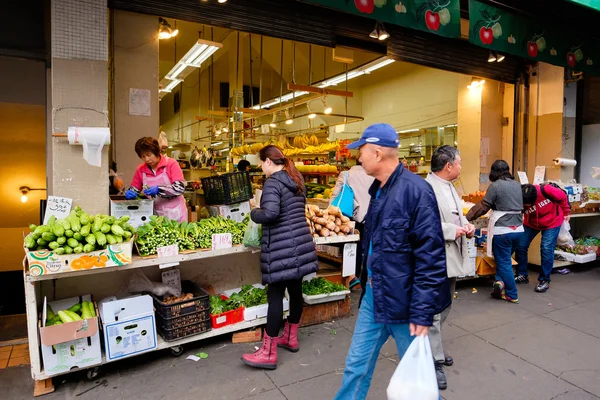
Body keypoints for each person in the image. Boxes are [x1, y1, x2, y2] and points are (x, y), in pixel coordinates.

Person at [335, 124, 449, 400]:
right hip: (375, 296)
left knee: (416, 380)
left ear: (376, 153)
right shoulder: (379, 190)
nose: (358, 158)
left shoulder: (416, 192)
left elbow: (430, 258)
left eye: (361, 152)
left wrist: (422, 312)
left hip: (406, 303)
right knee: (355, 367)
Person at [242, 145, 318, 370]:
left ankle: (268, 352)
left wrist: (254, 210)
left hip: (281, 246)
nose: (260, 167)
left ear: (267, 162)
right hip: (300, 243)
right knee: (295, 291)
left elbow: (271, 214)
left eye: (260, 163)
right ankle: (290, 337)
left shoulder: (273, 182)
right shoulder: (296, 178)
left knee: (275, 296)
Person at [425, 145, 475, 390]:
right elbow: (424, 225)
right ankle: (433, 359)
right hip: (435, 257)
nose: (461, 167)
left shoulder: (450, 187)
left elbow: (458, 213)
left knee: (446, 304)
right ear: (448, 166)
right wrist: (452, 230)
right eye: (460, 162)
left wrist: (467, 224)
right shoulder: (426, 189)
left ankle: (429, 346)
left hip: (452, 254)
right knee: (435, 309)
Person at [466, 160, 524, 303]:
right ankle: (499, 284)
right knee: (504, 259)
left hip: (503, 230)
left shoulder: (495, 186)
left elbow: (484, 207)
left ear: (493, 171)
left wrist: (466, 218)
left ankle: (512, 293)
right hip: (519, 230)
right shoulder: (517, 185)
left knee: (503, 262)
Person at [515, 183, 570, 293]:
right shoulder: (519, 194)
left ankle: (544, 280)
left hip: (552, 221)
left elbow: (563, 196)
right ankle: (522, 274)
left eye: (528, 205)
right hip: (531, 223)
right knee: (520, 245)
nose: (526, 207)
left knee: (546, 248)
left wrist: (566, 212)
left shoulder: (546, 190)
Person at [329, 161, 374, 289]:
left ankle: (352, 276)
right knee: (368, 247)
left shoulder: (346, 174)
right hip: (370, 216)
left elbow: (335, 196)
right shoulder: (374, 175)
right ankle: (366, 277)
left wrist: (330, 213)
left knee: (352, 246)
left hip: (352, 216)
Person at [125, 137, 188, 222]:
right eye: (143, 156)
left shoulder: (171, 164)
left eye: (148, 155)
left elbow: (180, 188)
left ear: (156, 151)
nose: (146, 159)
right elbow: (134, 190)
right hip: (156, 216)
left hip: (176, 214)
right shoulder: (140, 170)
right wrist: (130, 193)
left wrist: (159, 189)